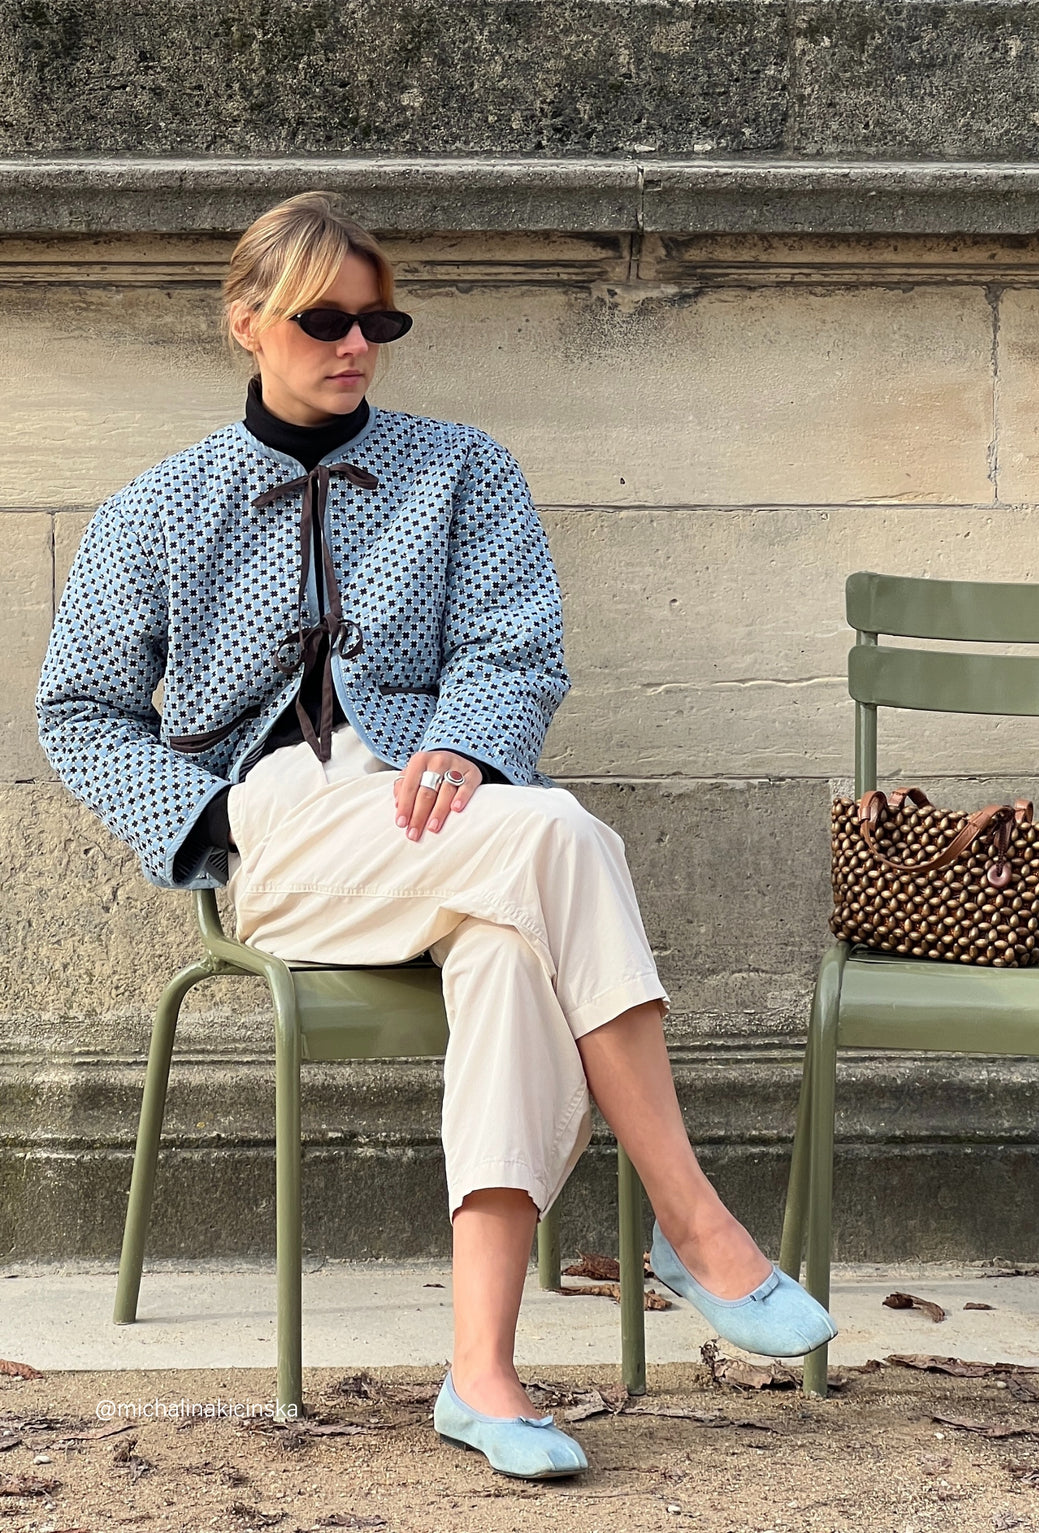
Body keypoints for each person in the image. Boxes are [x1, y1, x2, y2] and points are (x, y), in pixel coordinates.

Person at [36, 191, 837, 1481]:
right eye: (324, 320)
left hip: (453, 818)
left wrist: (464, 743)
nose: (356, 344)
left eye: (379, 320)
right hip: (285, 835)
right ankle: (694, 1221)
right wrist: (207, 821)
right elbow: (77, 713)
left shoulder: (460, 467)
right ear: (247, 322)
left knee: (519, 952)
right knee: (563, 834)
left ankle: (482, 1374)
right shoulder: (157, 509)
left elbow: (516, 648)